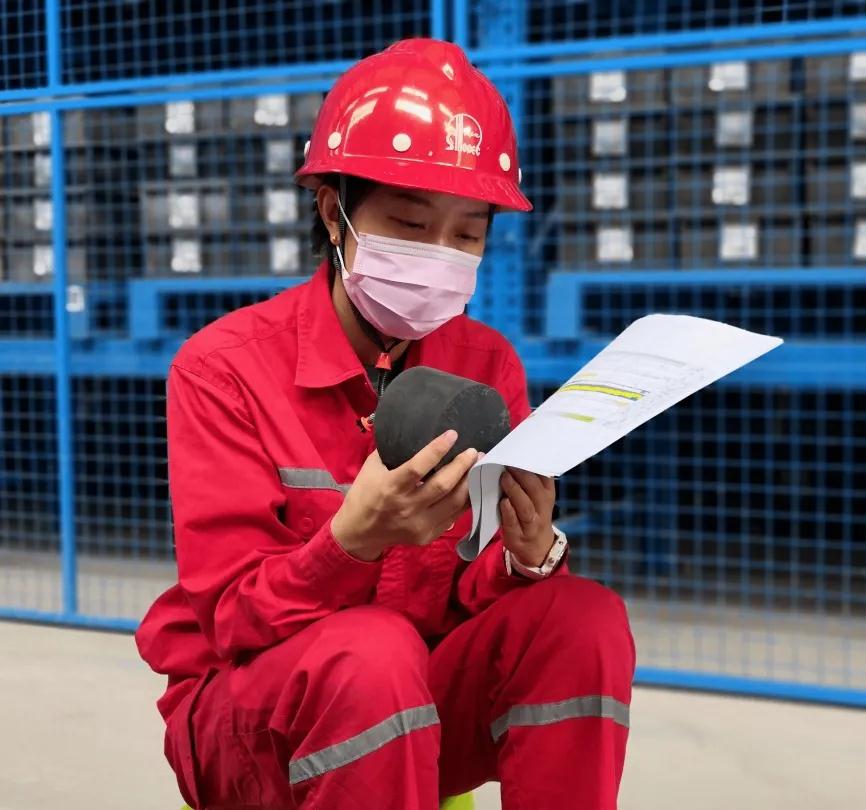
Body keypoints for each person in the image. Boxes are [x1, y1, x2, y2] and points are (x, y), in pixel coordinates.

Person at [135, 38, 635, 810]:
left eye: (467, 235)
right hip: (251, 720)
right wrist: (350, 543)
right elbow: (231, 620)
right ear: (334, 213)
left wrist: (527, 556)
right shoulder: (224, 369)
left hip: (409, 707)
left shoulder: (486, 364)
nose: (440, 255)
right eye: (409, 223)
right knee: (372, 652)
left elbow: (470, 599)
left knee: (582, 620)